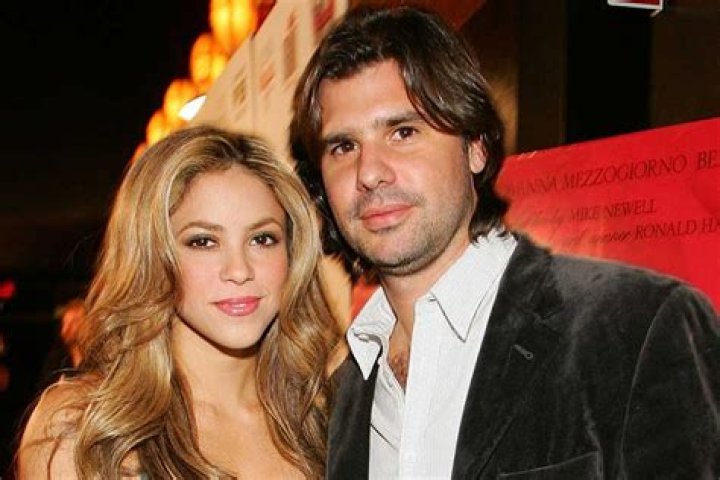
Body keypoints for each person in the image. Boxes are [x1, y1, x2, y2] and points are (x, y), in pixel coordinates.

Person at [290, 6, 720, 479]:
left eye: (404, 132)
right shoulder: (345, 394)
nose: (369, 172)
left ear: (475, 146)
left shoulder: (636, 327)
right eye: (343, 146)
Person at [17, 126, 340, 479]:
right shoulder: (82, 431)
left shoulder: (326, 414)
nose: (239, 270)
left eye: (262, 239)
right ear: (152, 255)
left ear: (292, 252)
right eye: (203, 241)